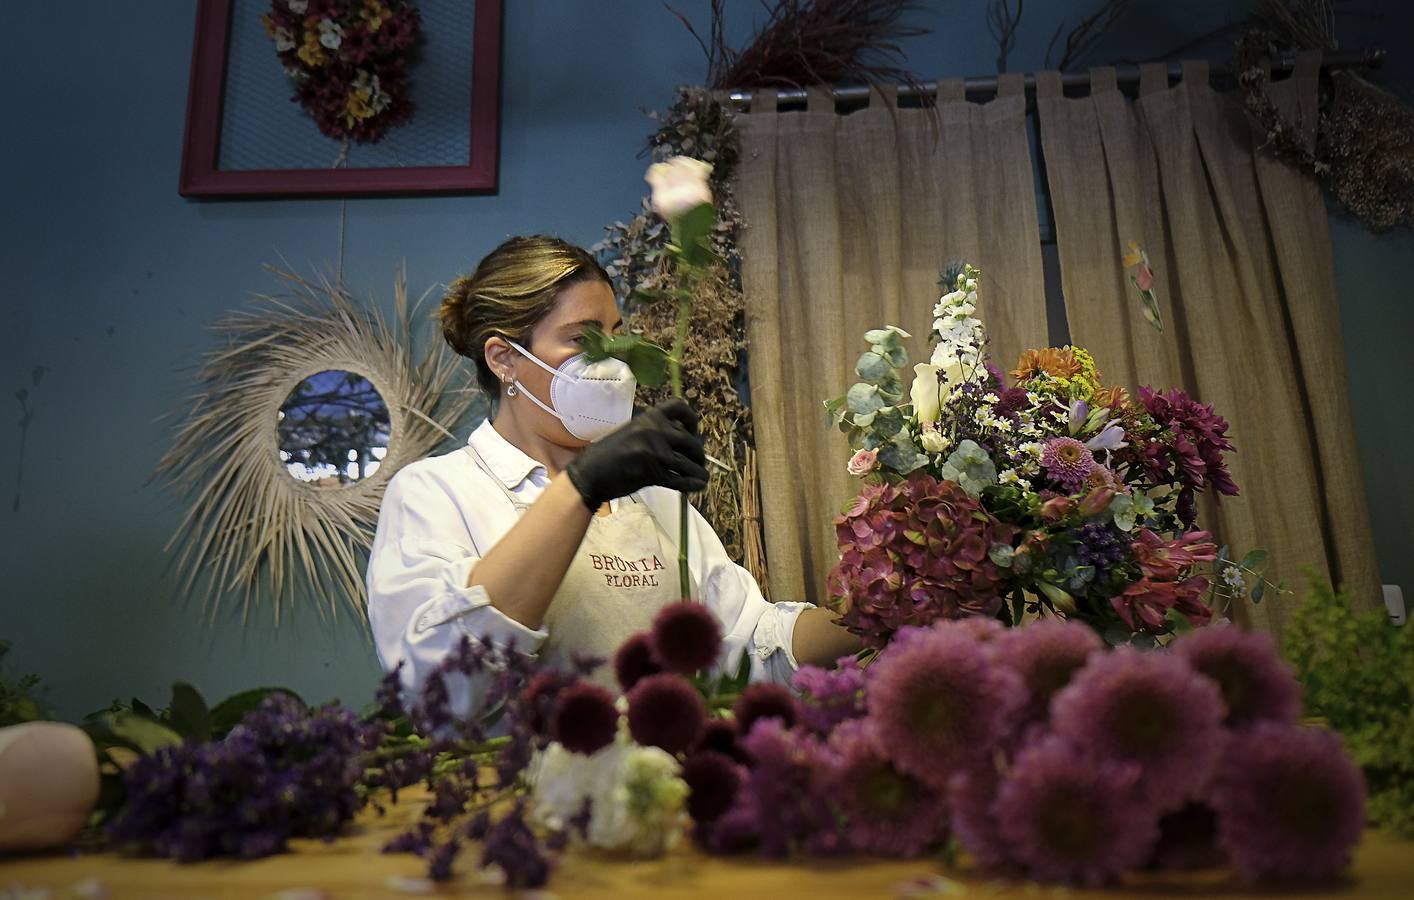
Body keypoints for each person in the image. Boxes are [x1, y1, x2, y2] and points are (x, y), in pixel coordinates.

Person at [367, 236, 860, 710]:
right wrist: (580, 488)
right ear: (504, 359)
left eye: (615, 336)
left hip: (657, 788)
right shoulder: (436, 494)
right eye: (582, 338)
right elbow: (442, 685)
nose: (611, 359)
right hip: (524, 792)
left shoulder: (655, 499)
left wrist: (876, 615)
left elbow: (745, 647)